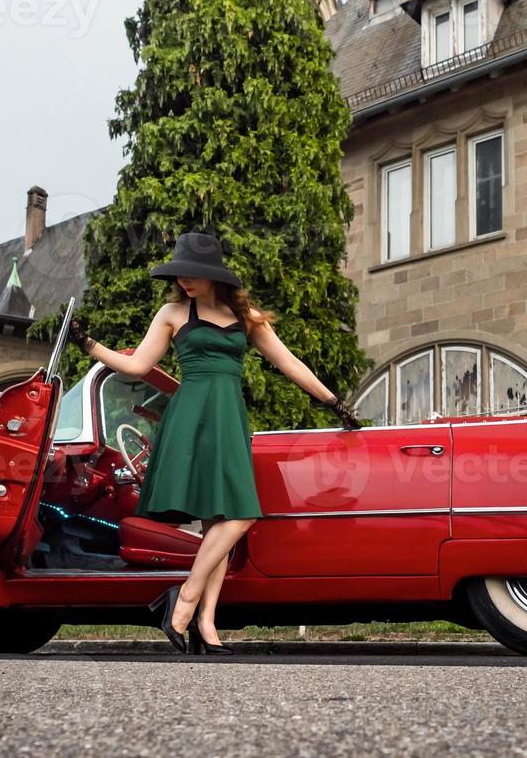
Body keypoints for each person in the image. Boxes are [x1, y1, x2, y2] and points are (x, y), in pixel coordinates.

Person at [68, 231, 361, 655]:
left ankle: (204, 623)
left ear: (212, 276)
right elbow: (137, 365)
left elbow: (288, 362)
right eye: (180, 274)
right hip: (191, 416)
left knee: (224, 520)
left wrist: (334, 402)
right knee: (237, 518)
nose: (184, 281)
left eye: (192, 274)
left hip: (228, 418)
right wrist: (89, 344)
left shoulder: (247, 318)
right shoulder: (172, 312)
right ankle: (186, 602)